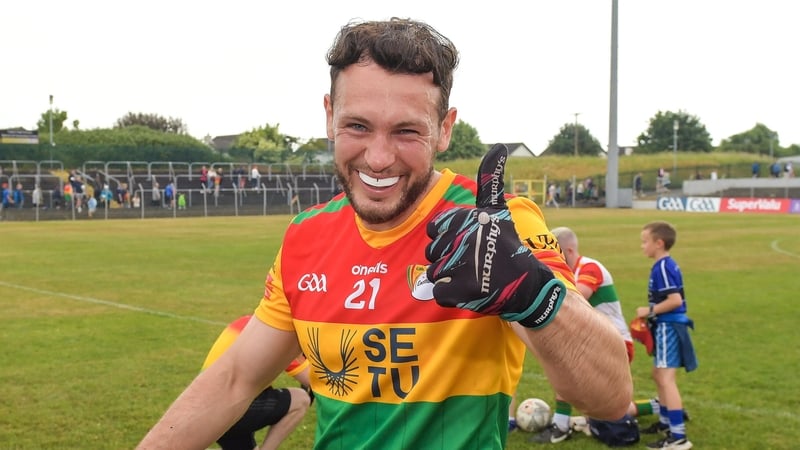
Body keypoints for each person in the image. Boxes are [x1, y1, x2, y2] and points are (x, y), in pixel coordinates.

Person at [137, 18, 631, 450]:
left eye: (406, 132)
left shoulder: (495, 226)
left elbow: (609, 398)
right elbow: (233, 380)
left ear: (444, 128)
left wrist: (532, 294)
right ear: (328, 115)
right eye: (357, 125)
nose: (377, 158)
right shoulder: (307, 236)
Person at [531, 227, 650, 445]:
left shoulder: (589, 268)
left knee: (570, 375)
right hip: (594, 341)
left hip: (615, 343)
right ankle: (660, 405)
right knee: (609, 410)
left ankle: (560, 427)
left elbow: (570, 302)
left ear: (568, 249)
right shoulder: (571, 271)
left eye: (554, 250)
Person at [203, 315, 313, 450]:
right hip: (229, 408)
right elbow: (313, 381)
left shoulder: (251, 323)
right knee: (301, 399)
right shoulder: (279, 337)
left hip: (206, 407)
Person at [635, 221, 697, 449]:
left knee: (665, 379)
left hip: (668, 326)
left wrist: (648, 311)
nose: (642, 247)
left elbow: (675, 301)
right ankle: (665, 422)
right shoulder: (662, 265)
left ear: (659, 243)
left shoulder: (663, 267)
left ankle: (678, 436)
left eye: (645, 242)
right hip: (664, 326)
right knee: (657, 374)